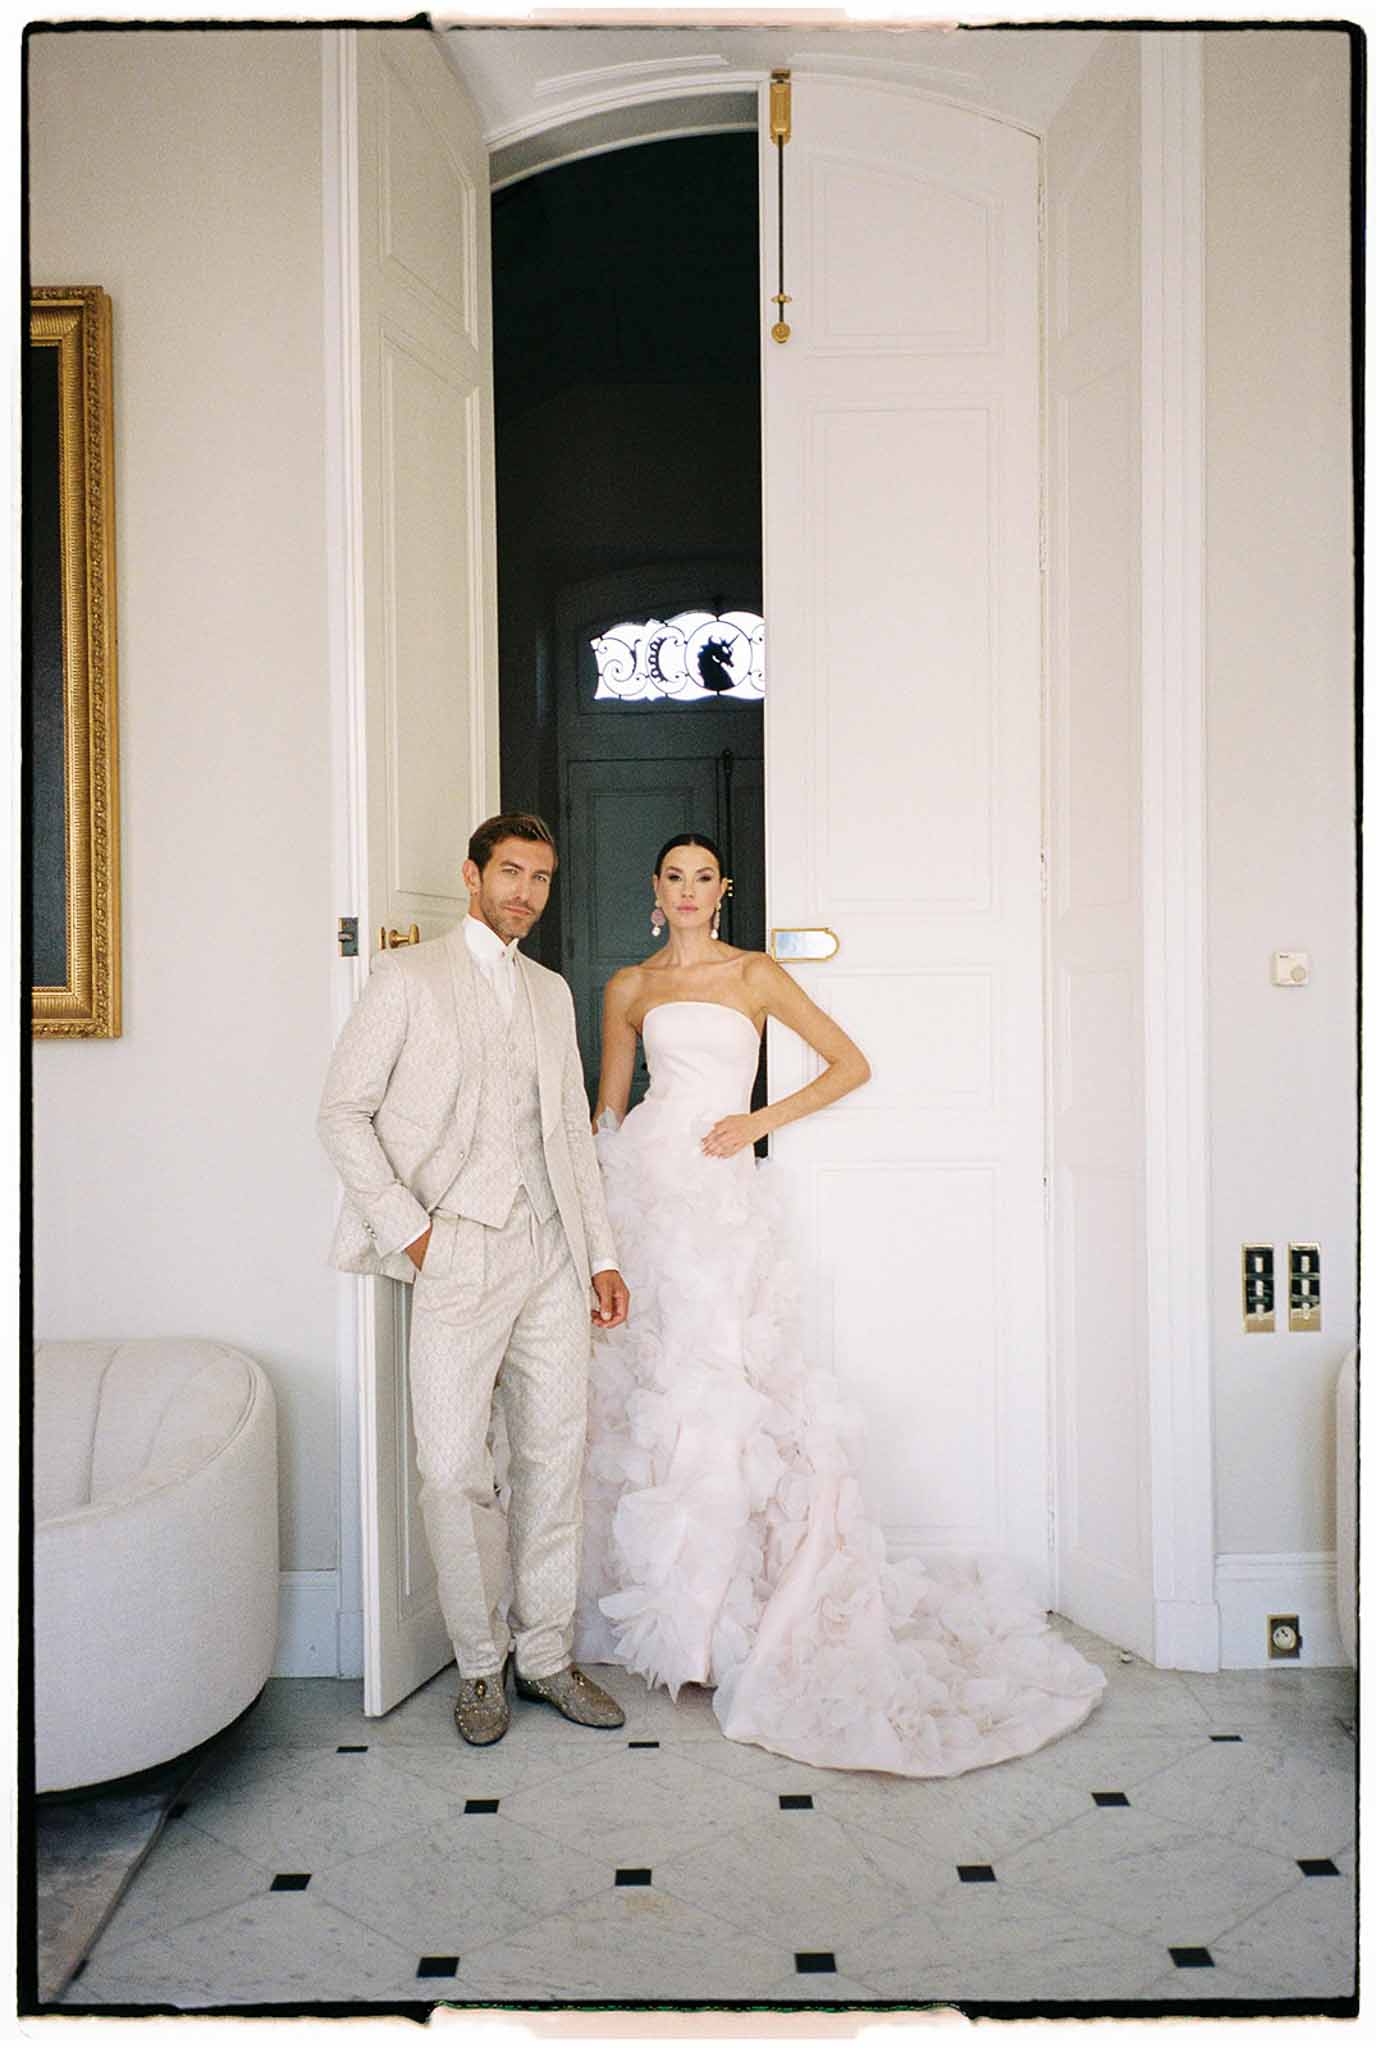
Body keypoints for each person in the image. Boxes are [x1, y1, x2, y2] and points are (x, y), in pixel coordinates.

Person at [576, 832, 1105, 1776]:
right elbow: (611, 1109)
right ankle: (661, 1619)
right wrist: (594, 1212)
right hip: (647, 1191)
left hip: (723, 1189)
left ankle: (724, 1621)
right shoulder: (628, 987)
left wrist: (756, 1123)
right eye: (675, 878)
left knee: (727, 1380)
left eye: (705, 878)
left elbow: (848, 1063)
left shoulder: (755, 974)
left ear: (722, 891)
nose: (690, 891)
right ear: (654, 888)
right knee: (650, 1383)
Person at [318, 813, 631, 1747]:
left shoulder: (548, 990)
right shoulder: (407, 977)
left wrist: (603, 1254)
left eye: (539, 876)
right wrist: (413, 1236)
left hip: (550, 1249)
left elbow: (570, 1130)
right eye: (510, 873)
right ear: (472, 876)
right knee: (451, 1469)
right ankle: (480, 1668)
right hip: (454, 1246)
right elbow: (342, 1113)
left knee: (551, 1458)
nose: (525, 892)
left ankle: (543, 1658)